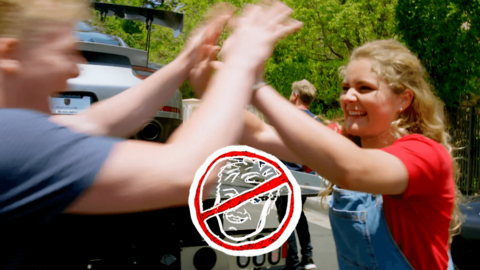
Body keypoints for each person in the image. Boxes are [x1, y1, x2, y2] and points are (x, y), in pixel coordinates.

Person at [0, 0, 302, 269]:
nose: (75, 67)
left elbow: (96, 123)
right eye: (63, 50)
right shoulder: (14, 138)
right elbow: (185, 173)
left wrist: (184, 62)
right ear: (11, 55)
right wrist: (241, 66)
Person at [195, 39, 461, 269]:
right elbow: (259, 134)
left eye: (364, 88)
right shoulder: (343, 142)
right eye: (346, 88)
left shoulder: (426, 154)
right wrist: (212, 85)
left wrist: (256, 84)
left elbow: (352, 169)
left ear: (403, 99)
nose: (348, 97)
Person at [276, 79, 318, 270]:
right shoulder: (316, 121)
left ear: (295, 95)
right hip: (306, 179)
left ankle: (292, 262)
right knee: (298, 216)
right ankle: (308, 258)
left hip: (287, 177)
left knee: (286, 219)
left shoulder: (288, 118)